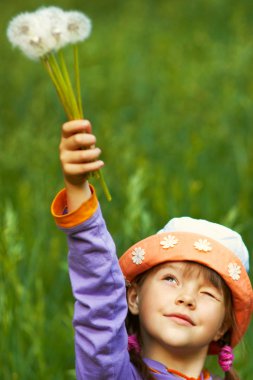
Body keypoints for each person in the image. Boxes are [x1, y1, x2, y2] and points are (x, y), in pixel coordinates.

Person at [51, 119, 253, 380]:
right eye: (170, 279)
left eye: (207, 293)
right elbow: (100, 297)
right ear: (133, 297)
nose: (187, 298)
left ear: (222, 327)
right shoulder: (113, 373)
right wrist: (77, 188)